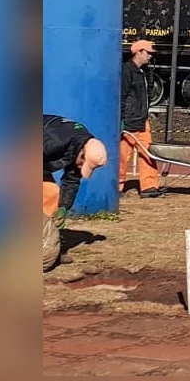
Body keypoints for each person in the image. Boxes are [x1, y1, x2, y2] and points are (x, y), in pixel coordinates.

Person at [43, 115, 108, 271]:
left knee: (53, 196)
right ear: (82, 153)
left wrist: (63, 207)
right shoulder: (55, 142)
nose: (80, 168)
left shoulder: (80, 145)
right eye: (82, 165)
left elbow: (71, 181)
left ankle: (49, 248)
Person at [120, 39, 161, 198]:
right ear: (138, 52)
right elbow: (121, 96)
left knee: (148, 154)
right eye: (148, 53)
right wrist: (121, 120)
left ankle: (149, 186)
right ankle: (117, 187)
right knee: (122, 157)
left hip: (142, 121)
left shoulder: (144, 71)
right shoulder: (126, 71)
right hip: (129, 122)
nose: (150, 56)